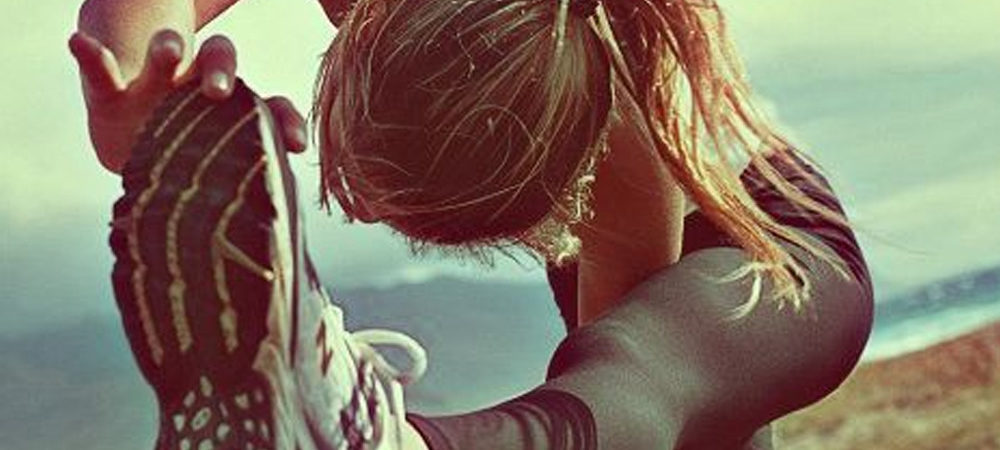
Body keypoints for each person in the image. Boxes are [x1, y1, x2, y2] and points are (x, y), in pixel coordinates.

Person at [71, 0, 875, 448]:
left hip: (778, 246)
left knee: (650, 378)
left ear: (563, 188)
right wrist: (147, 106)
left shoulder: (625, 124)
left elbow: (638, 395)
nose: (366, 211)